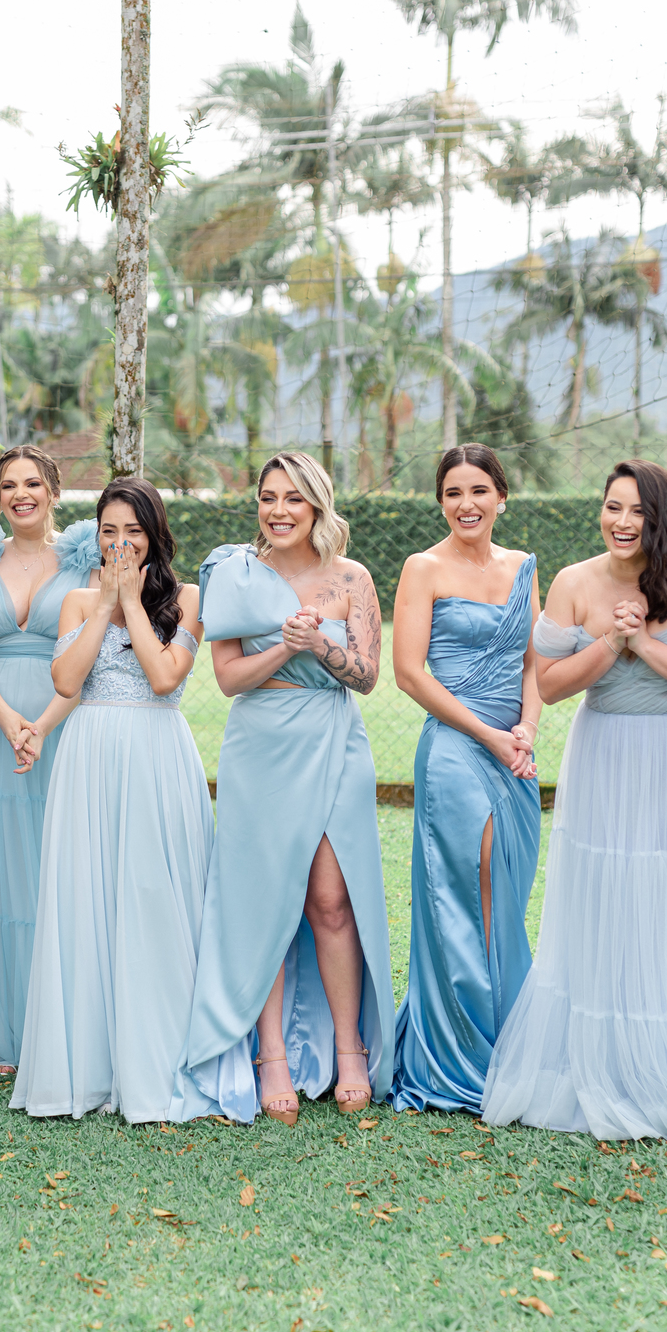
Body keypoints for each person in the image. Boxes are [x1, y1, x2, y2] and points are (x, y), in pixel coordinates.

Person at [484, 459, 667, 1140]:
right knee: (612, 893)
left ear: (661, 519)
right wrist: (609, 642)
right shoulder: (574, 583)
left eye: (637, 511)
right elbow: (550, 685)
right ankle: (613, 1060)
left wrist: (645, 644)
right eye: (613, 507)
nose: (622, 522)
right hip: (606, 756)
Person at [172, 451, 395, 1126]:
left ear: (317, 505)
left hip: (335, 739)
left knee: (331, 899)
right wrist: (288, 647)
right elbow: (229, 679)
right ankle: (270, 1055)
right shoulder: (234, 573)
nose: (278, 510)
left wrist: (321, 647)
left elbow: (366, 677)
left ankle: (350, 1048)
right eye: (268, 497)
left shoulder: (352, 577)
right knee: (264, 901)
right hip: (261, 747)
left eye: (293, 498)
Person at [10, 479, 211, 1125]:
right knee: (87, 897)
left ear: (155, 534)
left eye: (133, 531)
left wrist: (131, 601)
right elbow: (67, 680)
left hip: (157, 756)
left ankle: (158, 1061)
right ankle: (87, 1068)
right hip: (89, 759)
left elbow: (164, 678)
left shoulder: (188, 598)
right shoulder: (76, 600)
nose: (120, 543)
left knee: (152, 896)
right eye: (109, 531)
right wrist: (104, 606)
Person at [391, 444, 541, 1114]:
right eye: (453, 492)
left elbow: (535, 662)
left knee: (505, 892)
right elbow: (409, 673)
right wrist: (487, 734)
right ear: (441, 502)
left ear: (501, 497)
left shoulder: (524, 567)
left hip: (515, 754)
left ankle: (514, 1040)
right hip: (456, 748)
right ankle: (466, 1054)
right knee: (469, 887)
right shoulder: (423, 568)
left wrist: (526, 729)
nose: (466, 504)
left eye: (479, 490)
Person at [0, 445, 99, 1074]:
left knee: (52, 861)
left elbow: (92, 649)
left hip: (61, 720)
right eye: (8, 485)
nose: (20, 495)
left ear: (54, 491)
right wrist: (9, 719)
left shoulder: (85, 558)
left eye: (33, 483)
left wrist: (40, 724)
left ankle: (55, 1021)